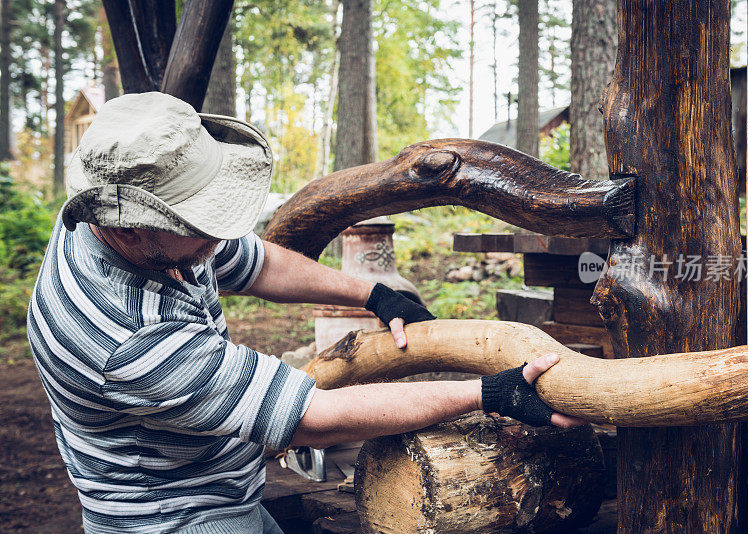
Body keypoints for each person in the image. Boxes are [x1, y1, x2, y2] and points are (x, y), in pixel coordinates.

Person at [28, 92, 583, 534]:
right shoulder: (121, 336)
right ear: (128, 226)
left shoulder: (133, 213)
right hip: (174, 515)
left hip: (223, 486)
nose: (216, 238)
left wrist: (371, 294)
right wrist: (489, 394)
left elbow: (259, 262)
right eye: (200, 226)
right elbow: (313, 418)